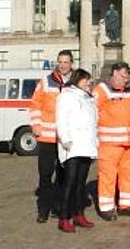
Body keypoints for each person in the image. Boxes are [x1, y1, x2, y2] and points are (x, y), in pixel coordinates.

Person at [28, 49, 74, 223]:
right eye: (60, 62)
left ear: (71, 63)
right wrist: (36, 125)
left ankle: (60, 208)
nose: (62, 65)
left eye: (66, 62)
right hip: (47, 137)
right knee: (45, 175)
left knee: (64, 175)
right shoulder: (46, 81)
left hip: (66, 138)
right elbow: (35, 105)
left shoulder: (76, 82)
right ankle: (43, 210)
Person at [94, 62, 130, 220]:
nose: (126, 78)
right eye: (123, 75)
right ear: (114, 73)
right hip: (109, 143)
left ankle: (126, 204)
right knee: (108, 176)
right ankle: (106, 207)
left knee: (128, 175)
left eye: (127, 75)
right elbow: (92, 114)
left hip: (129, 142)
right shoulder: (101, 90)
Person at [55, 69, 98, 233]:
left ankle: (78, 214)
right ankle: (64, 217)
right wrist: (65, 138)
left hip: (86, 144)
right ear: (78, 80)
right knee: (70, 183)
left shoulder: (89, 98)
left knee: (81, 184)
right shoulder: (66, 95)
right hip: (72, 145)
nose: (88, 83)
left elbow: (94, 121)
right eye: (86, 80)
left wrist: (96, 142)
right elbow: (61, 118)